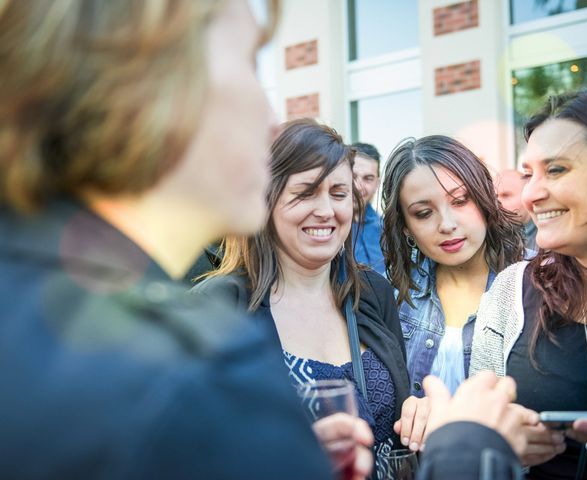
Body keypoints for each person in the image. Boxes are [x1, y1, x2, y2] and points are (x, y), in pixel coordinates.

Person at [0, 1, 337, 478]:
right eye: (249, 62)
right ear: (152, 84)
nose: (270, 117)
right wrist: (462, 448)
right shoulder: (204, 377)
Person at [195, 119, 430, 478]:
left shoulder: (372, 293)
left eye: (338, 194)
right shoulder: (221, 305)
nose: (326, 210)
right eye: (306, 192)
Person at [471, 87, 587, 479]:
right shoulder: (510, 292)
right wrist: (496, 445)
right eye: (528, 174)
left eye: (557, 169)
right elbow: (481, 448)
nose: (532, 194)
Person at [381, 136, 525, 397]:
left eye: (459, 201)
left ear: (485, 198)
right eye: (424, 213)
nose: (446, 224)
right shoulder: (390, 294)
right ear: (405, 227)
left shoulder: (538, 281)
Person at [351, 142, 386, 276]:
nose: (358, 187)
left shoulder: (387, 231)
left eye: (368, 179)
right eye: (353, 176)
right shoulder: (328, 229)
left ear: (377, 183)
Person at [496, 169, 538, 251]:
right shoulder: (489, 237)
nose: (497, 203)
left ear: (528, 196)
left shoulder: (547, 240)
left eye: (506, 195)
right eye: (494, 196)